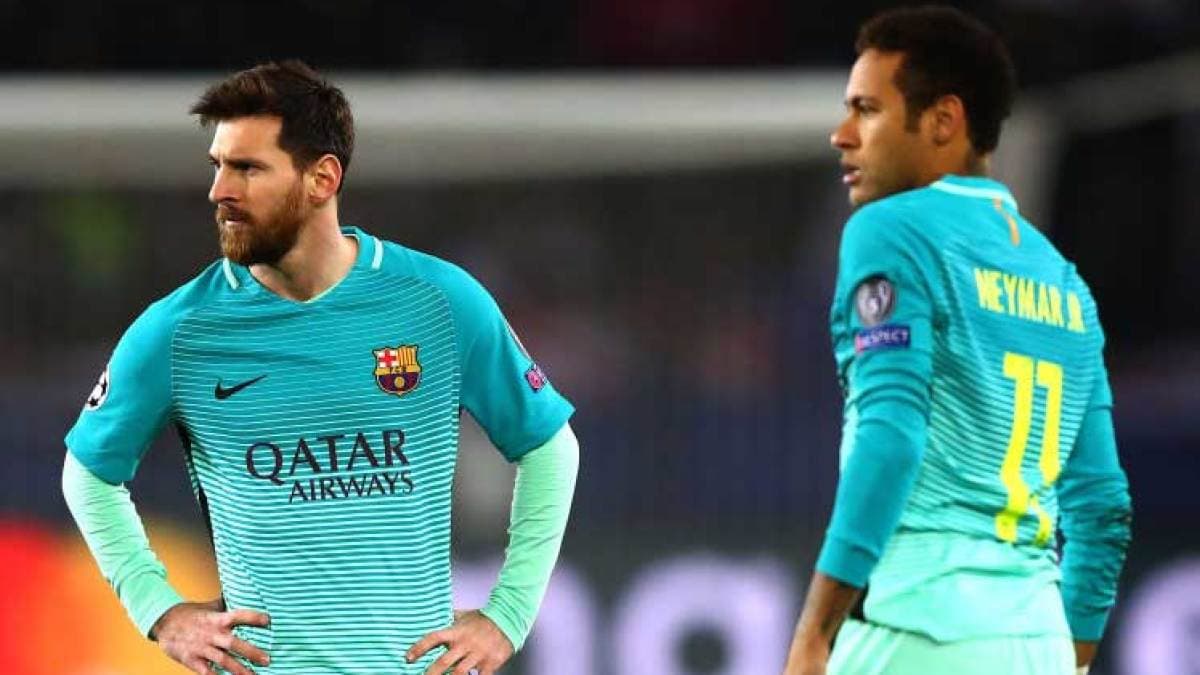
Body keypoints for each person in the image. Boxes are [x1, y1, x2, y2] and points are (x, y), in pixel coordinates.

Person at [61, 60, 579, 675]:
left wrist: (509, 613)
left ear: (322, 178)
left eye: (247, 168)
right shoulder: (179, 331)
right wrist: (159, 609)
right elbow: (88, 476)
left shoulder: (439, 301)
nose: (219, 191)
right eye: (217, 166)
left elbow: (550, 447)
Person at [783, 7, 1132, 675]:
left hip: (913, 627)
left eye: (867, 110)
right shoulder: (1066, 284)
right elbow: (1102, 505)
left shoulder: (891, 231)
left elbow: (892, 435)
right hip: (1036, 640)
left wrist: (815, 633)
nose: (841, 134)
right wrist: (1069, 659)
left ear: (943, 120)